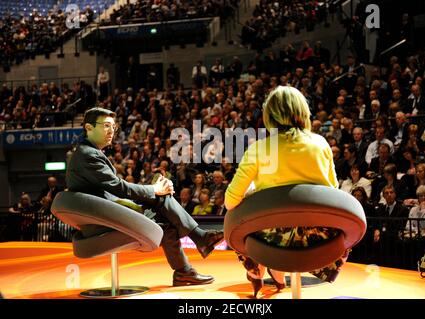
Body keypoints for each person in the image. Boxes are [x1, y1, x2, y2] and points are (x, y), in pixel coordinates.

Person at [66, 107, 224, 287]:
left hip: (105, 211)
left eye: (113, 127)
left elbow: (115, 188)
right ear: (88, 127)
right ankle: (199, 242)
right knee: (162, 200)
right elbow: (118, 187)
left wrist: (155, 190)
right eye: (106, 126)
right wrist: (154, 190)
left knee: (163, 209)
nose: (111, 131)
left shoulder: (88, 153)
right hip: (103, 219)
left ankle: (186, 269)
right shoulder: (88, 155)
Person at [225, 86, 346, 298]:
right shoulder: (321, 144)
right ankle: (274, 273)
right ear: (303, 111)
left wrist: (254, 192)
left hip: (272, 241)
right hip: (320, 241)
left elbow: (230, 202)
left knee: (242, 209)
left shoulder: (260, 149)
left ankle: (258, 268)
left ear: (269, 115)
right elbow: (333, 192)